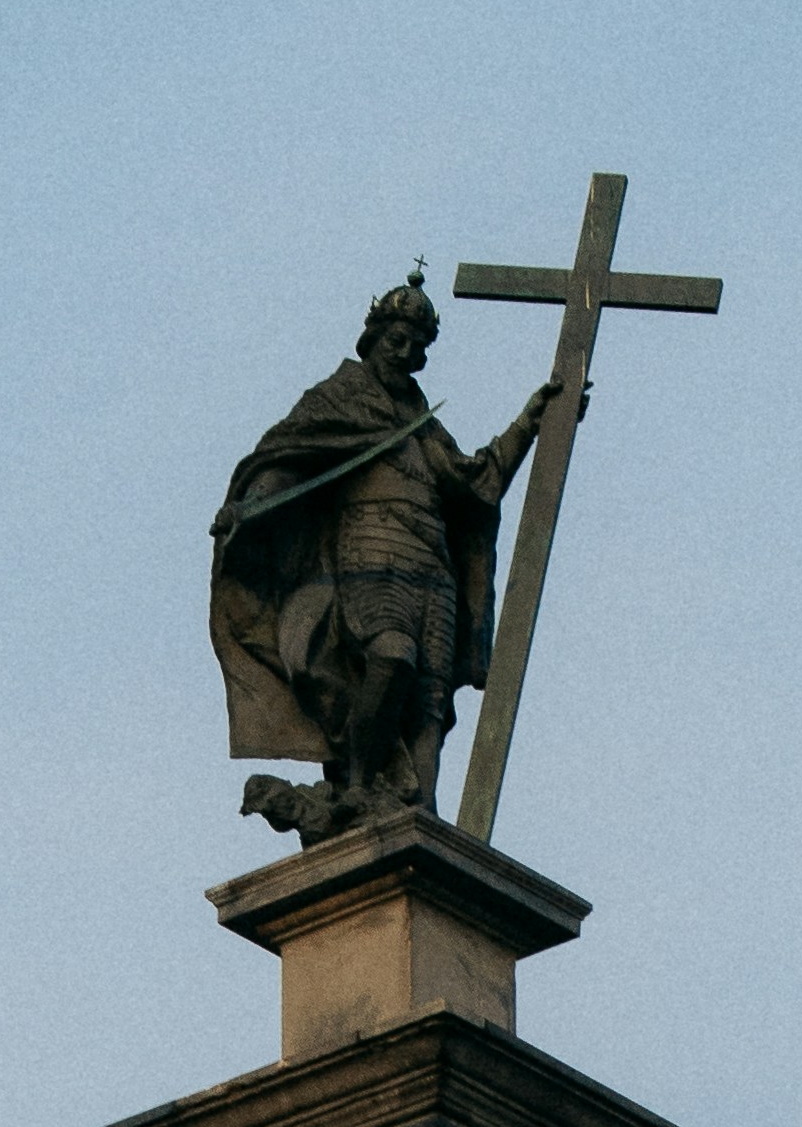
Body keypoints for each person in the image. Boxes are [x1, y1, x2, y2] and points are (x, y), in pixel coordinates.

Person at [209, 271, 564, 837]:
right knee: (392, 655)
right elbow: (287, 461)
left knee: (429, 700)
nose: (406, 353)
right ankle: (357, 785)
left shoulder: (425, 428)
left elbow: (477, 481)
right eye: (396, 340)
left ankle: (422, 811)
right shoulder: (339, 399)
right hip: (370, 553)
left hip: (433, 568)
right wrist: (249, 506)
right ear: (373, 339)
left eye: (417, 347)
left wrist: (531, 422)